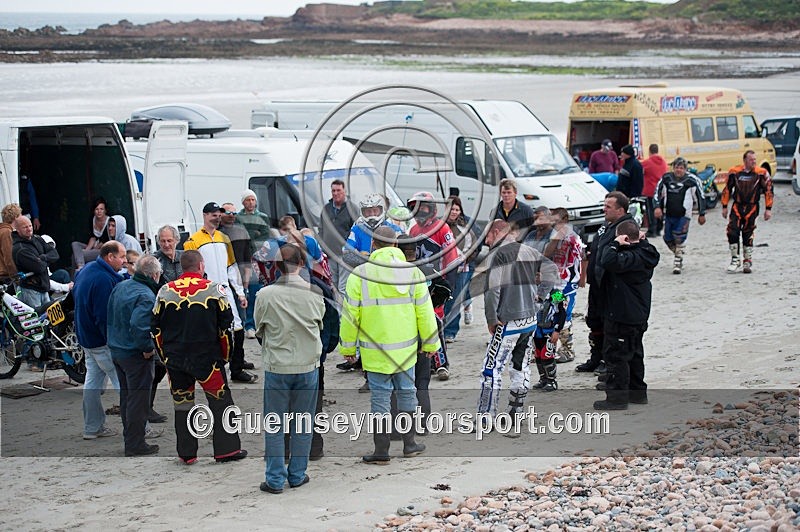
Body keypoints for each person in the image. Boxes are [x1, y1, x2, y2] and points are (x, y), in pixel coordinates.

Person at [339, 226, 440, 464]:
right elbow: (425, 312)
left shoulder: (360, 274)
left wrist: (347, 349)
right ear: (395, 245)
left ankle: (381, 451)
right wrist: (430, 343)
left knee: (380, 401)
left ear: (373, 245)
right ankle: (410, 444)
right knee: (407, 394)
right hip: (405, 351)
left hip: (375, 352)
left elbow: (350, 315)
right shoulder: (412, 272)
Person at [152, 250, 248, 465]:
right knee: (221, 402)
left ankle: (187, 453)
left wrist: (165, 357)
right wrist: (226, 356)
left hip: (176, 360)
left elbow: (155, 330)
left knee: (183, 404)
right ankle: (227, 450)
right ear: (201, 265)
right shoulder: (214, 290)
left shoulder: (165, 291)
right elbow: (226, 328)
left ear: (182, 267)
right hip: (208, 360)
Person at [253, 244, 325, 494]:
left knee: (275, 423)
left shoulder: (265, 295)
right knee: (303, 422)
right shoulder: (314, 293)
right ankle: (297, 473)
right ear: (302, 264)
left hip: (278, 365)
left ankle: (274, 478)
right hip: (307, 364)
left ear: (275, 266)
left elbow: (259, 327)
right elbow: (321, 324)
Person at [183, 202, 257, 383]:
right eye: (213, 214)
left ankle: (237, 369)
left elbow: (231, 267)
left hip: (225, 291)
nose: (216, 217)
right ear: (205, 215)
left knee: (237, 329)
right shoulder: (193, 241)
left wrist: (240, 292)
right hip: (206, 294)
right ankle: (215, 370)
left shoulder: (224, 238)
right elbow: (191, 270)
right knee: (213, 332)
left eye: (218, 214)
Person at [478, 220, 541, 422]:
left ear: (497, 232)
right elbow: (546, 277)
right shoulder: (529, 251)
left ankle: (486, 417)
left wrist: (491, 318)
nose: (486, 241)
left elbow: (492, 290)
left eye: (487, 236)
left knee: (491, 369)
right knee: (520, 365)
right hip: (529, 318)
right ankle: (516, 412)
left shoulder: (498, 254)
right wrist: (538, 299)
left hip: (508, 320)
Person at [594, 219, 659, 410]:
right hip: (637, 313)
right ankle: (637, 393)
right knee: (635, 353)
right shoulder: (646, 252)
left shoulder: (628, 258)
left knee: (616, 356)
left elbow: (606, 260)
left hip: (622, 314)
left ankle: (617, 398)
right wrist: (641, 240)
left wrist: (614, 244)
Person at [107, 255, 163, 456]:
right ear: (155, 275)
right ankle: (135, 443)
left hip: (117, 349)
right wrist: (148, 348)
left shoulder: (121, 286)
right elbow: (138, 325)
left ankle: (131, 439)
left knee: (127, 397)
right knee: (138, 400)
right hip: (134, 353)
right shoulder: (146, 295)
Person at [576, 192, 633, 378]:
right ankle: (596, 357)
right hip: (597, 283)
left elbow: (622, 259)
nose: (604, 209)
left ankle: (606, 362)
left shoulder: (626, 227)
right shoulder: (606, 225)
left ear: (620, 210)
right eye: (604, 205)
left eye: (608, 206)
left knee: (609, 325)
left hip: (611, 286)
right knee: (594, 320)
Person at [74, 241, 125, 440]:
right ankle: (140, 428)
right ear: (109, 257)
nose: (124, 260)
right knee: (123, 383)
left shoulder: (87, 269)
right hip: (102, 341)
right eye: (121, 257)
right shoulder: (104, 280)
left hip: (87, 338)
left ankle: (92, 428)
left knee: (92, 383)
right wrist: (115, 342)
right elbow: (104, 316)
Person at [407, 191, 458, 380]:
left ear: (432, 208)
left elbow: (451, 255)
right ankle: (426, 363)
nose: (420, 211)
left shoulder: (442, 228)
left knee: (436, 322)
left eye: (423, 207)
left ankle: (442, 363)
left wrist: (447, 284)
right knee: (420, 323)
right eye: (415, 208)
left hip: (437, 282)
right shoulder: (413, 230)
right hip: (419, 283)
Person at [721, 150, 774, 274]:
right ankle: (735, 259)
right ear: (745, 160)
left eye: (755, 159)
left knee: (748, 232)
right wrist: (724, 206)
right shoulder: (735, 172)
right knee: (732, 231)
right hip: (737, 206)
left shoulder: (761, 173)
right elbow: (727, 189)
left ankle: (747, 260)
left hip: (752, 207)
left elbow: (769, 190)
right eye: (751, 160)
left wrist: (768, 209)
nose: (754, 162)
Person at [654, 157, 706, 274]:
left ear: (685, 169)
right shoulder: (666, 178)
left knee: (679, 237)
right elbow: (657, 192)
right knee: (667, 238)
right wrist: (657, 207)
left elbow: (700, 196)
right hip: (669, 214)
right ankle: (679, 252)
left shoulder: (692, 180)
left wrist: (702, 213)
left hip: (684, 215)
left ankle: (678, 261)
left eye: (681, 168)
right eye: (676, 167)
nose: (678, 170)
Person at [548, 207, 585, 364]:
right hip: (553, 283)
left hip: (566, 285)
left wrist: (582, 278)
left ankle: (568, 349)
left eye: (557, 221)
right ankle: (551, 348)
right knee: (551, 312)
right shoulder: (552, 235)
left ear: (565, 221)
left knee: (564, 314)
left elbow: (581, 256)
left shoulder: (572, 238)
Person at [443, 196, 478, 342]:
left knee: (455, 299)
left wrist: (465, 258)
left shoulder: (465, 227)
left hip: (461, 269)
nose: (454, 212)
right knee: (443, 298)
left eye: (457, 209)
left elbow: (474, 247)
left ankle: (450, 331)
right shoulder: (439, 225)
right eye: (452, 208)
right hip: (443, 269)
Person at [236, 189, 271, 336]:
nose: (251, 202)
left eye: (253, 200)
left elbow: (264, 235)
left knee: (258, 290)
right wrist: (252, 234)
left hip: (259, 258)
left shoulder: (262, 216)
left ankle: (258, 323)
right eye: (248, 200)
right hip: (244, 259)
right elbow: (241, 235)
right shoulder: (238, 217)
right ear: (243, 202)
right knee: (246, 292)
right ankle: (248, 324)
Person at [219, 202, 254, 338]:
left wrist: (246, 280)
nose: (232, 215)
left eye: (234, 213)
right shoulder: (216, 234)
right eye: (228, 213)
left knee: (241, 313)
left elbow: (247, 256)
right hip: (223, 277)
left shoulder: (241, 231)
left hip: (239, 276)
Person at [319, 179, 358, 296]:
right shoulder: (326, 208)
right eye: (333, 191)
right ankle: (336, 311)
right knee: (332, 285)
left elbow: (356, 229)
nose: (335, 193)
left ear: (344, 191)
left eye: (338, 190)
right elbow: (321, 229)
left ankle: (344, 312)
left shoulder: (352, 208)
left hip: (344, 254)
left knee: (343, 286)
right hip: (329, 253)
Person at [11, 216, 59, 308]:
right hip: (30, 291)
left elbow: (55, 254)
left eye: (30, 226)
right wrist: (47, 261)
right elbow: (39, 267)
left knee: (47, 319)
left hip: (44, 287)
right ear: (17, 230)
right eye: (25, 227)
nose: (29, 229)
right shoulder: (19, 249)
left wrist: (43, 257)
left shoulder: (37, 239)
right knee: (35, 320)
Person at [531, 288, 567, 392]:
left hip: (549, 331)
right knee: (537, 354)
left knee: (546, 354)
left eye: (539, 275)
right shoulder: (531, 290)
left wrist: (557, 330)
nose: (537, 278)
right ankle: (543, 379)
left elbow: (562, 313)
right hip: (535, 330)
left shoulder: (556, 293)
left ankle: (552, 381)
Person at [71, 197, 111, 270]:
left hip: (103, 249)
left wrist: (90, 251)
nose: (99, 211)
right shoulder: (92, 219)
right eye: (97, 209)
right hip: (93, 246)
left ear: (105, 210)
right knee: (75, 244)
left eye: (101, 209)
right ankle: (80, 266)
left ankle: (80, 269)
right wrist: (87, 250)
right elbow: (93, 237)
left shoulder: (109, 221)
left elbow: (104, 242)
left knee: (75, 256)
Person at [641, 144, 668, 237]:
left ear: (649, 151)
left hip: (650, 190)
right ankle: (659, 228)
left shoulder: (647, 163)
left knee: (651, 210)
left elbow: (641, 171)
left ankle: (652, 230)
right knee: (660, 209)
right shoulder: (664, 162)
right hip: (661, 190)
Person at [0, 203, 22, 279]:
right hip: (5, 276)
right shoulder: (7, 233)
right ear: (16, 217)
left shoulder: (2, 231)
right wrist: (16, 277)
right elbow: (9, 257)